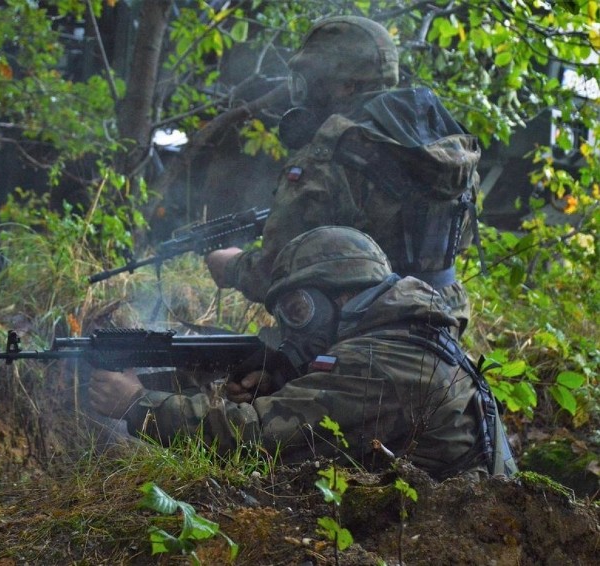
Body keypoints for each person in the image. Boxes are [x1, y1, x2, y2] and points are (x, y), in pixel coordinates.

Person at [89, 226, 516, 479]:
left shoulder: (379, 362)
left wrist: (137, 404)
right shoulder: (406, 332)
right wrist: (287, 382)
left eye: (299, 310)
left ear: (342, 293)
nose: (295, 326)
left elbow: (256, 439)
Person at [204, 15, 481, 335]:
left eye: (314, 79)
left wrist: (232, 266)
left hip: (363, 336)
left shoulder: (329, 155)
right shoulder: (442, 143)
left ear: (349, 84)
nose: (305, 90)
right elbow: (460, 244)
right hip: (444, 328)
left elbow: (275, 274)